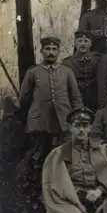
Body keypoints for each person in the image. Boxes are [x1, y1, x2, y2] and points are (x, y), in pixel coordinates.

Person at [19, 36, 83, 170]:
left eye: (54, 49)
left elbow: (76, 97)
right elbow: (24, 97)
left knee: (63, 153)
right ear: (41, 51)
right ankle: (35, 182)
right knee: (38, 153)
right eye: (47, 49)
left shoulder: (67, 72)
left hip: (63, 120)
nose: (51, 52)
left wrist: (77, 117)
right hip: (40, 121)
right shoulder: (33, 72)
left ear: (59, 52)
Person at [62, 30, 101, 110]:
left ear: (90, 44)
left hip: (94, 101)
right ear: (75, 43)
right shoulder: (67, 63)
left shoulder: (98, 60)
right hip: (75, 101)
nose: (83, 44)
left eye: (86, 41)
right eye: (80, 41)